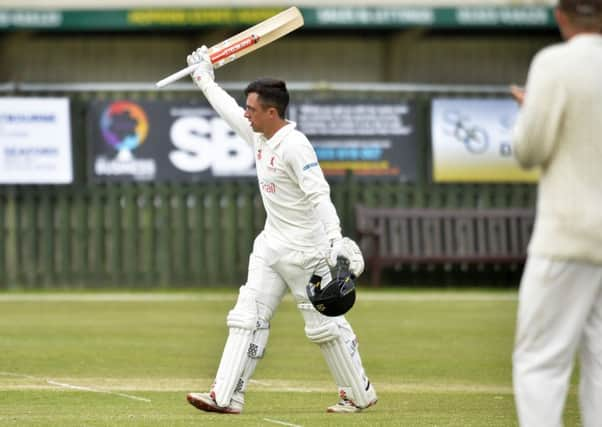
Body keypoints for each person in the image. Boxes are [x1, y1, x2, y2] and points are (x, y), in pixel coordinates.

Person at [184, 46, 377, 414]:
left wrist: (336, 240)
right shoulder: (260, 136)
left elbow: (319, 193)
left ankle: (358, 393)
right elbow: (228, 111)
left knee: (325, 330)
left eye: (252, 109)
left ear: (272, 112)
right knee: (246, 318)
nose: (246, 115)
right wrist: (203, 77)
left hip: (308, 252)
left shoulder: (295, 146)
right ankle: (225, 396)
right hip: (271, 246)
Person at [510, 1, 602, 426]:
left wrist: (531, 110)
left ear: (561, 17)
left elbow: (530, 150)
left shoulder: (554, 63)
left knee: (541, 360)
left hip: (567, 235)